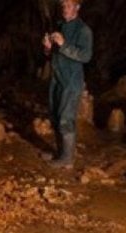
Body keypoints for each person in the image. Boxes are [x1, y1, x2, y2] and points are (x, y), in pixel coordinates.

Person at [42, 0, 93, 168]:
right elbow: (53, 55)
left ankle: (68, 159)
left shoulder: (83, 30)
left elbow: (85, 56)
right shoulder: (59, 26)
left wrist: (63, 44)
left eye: (69, 5)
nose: (65, 9)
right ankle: (60, 153)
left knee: (66, 118)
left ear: (77, 7)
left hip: (71, 81)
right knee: (55, 116)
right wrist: (48, 48)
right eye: (63, 6)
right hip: (57, 78)